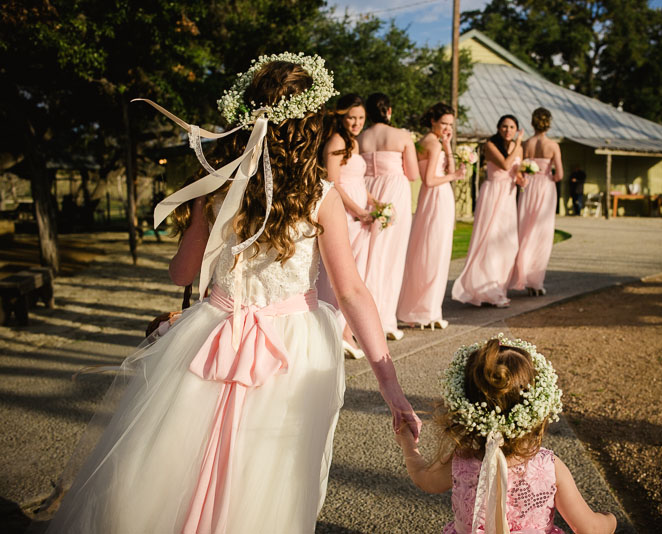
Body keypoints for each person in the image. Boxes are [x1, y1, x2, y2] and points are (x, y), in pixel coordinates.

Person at [43, 54, 421, 534]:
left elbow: (182, 274)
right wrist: (391, 388)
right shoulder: (320, 195)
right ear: (308, 124)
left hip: (213, 334)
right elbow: (352, 292)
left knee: (180, 462)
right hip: (292, 347)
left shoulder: (218, 187)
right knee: (264, 472)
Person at [394, 335, 617, 534]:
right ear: (535, 407)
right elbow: (589, 528)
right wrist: (610, 520)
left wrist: (407, 442)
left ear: (468, 405)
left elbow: (424, 478)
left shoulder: (461, 461)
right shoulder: (549, 467)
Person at [358, 92, 420, 340]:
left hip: (366, 191)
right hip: (394, 194)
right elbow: (413, 174)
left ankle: (361, 322)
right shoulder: (402, 137)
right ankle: (384, 321)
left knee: (366, 256)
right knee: (391, 258)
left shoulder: (360, 138)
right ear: (389, 111)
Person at [396, 103, 464, 330]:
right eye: (443, 123)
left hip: (435, 199)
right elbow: (430, 180)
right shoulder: (431, 144)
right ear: (433, 121)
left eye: (450, 125)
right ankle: (427, 311)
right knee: (433, 255)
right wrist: (454, 174)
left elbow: (448, 171)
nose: (447, 128)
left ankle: (428, 310)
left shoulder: (435, 142)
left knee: (431, 253)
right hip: (436, 199)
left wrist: (447, 144)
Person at [317, 93, 374, 359]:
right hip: (344, 213)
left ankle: (347, 331)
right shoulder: (337, 141)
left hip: (359, 214)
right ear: (341, 117)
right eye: (351, 117)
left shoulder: (352, 141)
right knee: (338, 274)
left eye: (361, 118)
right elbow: (333, 182)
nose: (356, 123)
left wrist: (373, 202)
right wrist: (358, 210)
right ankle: (336, 331)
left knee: (356, 272)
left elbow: (357, 180)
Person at [452, 115, 523, 308]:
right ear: (498, 128)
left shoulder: (518, 148)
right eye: (504, 127)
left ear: (516, 129)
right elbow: (506, 164)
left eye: (511, 127)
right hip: (493, 193)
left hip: (509, 196)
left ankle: (499, 286)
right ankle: (488, 292)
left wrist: (521, 179)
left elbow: (515, 171)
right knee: (489, 240)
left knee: (508, 243)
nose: (508, 130)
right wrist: (518, 144)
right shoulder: (491, 145)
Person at [510, 107, 563, 296]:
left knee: (524, 230)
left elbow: (519, 169)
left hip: (528, 187)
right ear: (548, 123)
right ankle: (536, 282)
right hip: (546, 188)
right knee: (542, 233)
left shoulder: (525, 144)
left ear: (532, 123)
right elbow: (560, 175)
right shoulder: (553, 146)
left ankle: (521, 275)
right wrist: (548, 175)